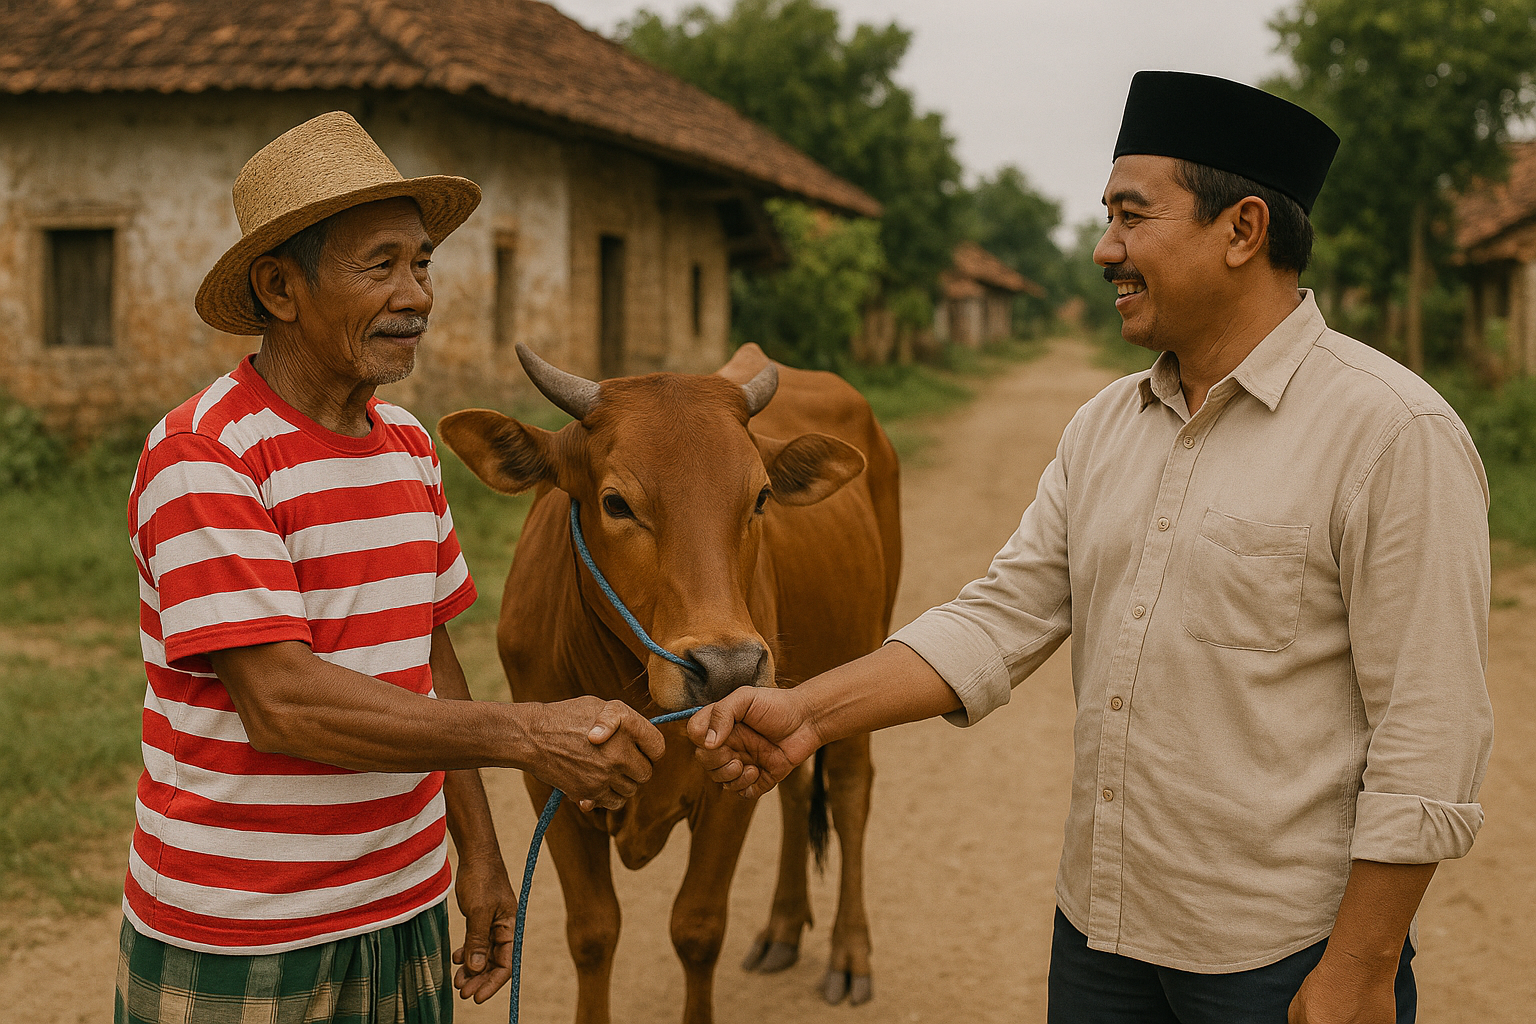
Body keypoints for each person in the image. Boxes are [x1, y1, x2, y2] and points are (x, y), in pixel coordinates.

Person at [683, 72, 1494, 1024]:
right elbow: (1002, 617)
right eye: (1106, 218)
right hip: (1100, 938)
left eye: (1131, 216)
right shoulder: (1105, 425)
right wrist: (808, 715)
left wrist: (1359, 970)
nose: (1106, 249)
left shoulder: (1393, 433)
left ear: (1243, 231)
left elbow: (1431, 734)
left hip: (1280, 959)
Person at [115, 112, 666, 1024]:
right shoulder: (205, 454)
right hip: (244, 931)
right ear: (280, 289)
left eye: (422, 264)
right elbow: (283, 702)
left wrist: (477, 853)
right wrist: (531, 734)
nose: (418, 296)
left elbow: (429, 659)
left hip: (403, 907)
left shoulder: (408, 445)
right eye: (381, 266)